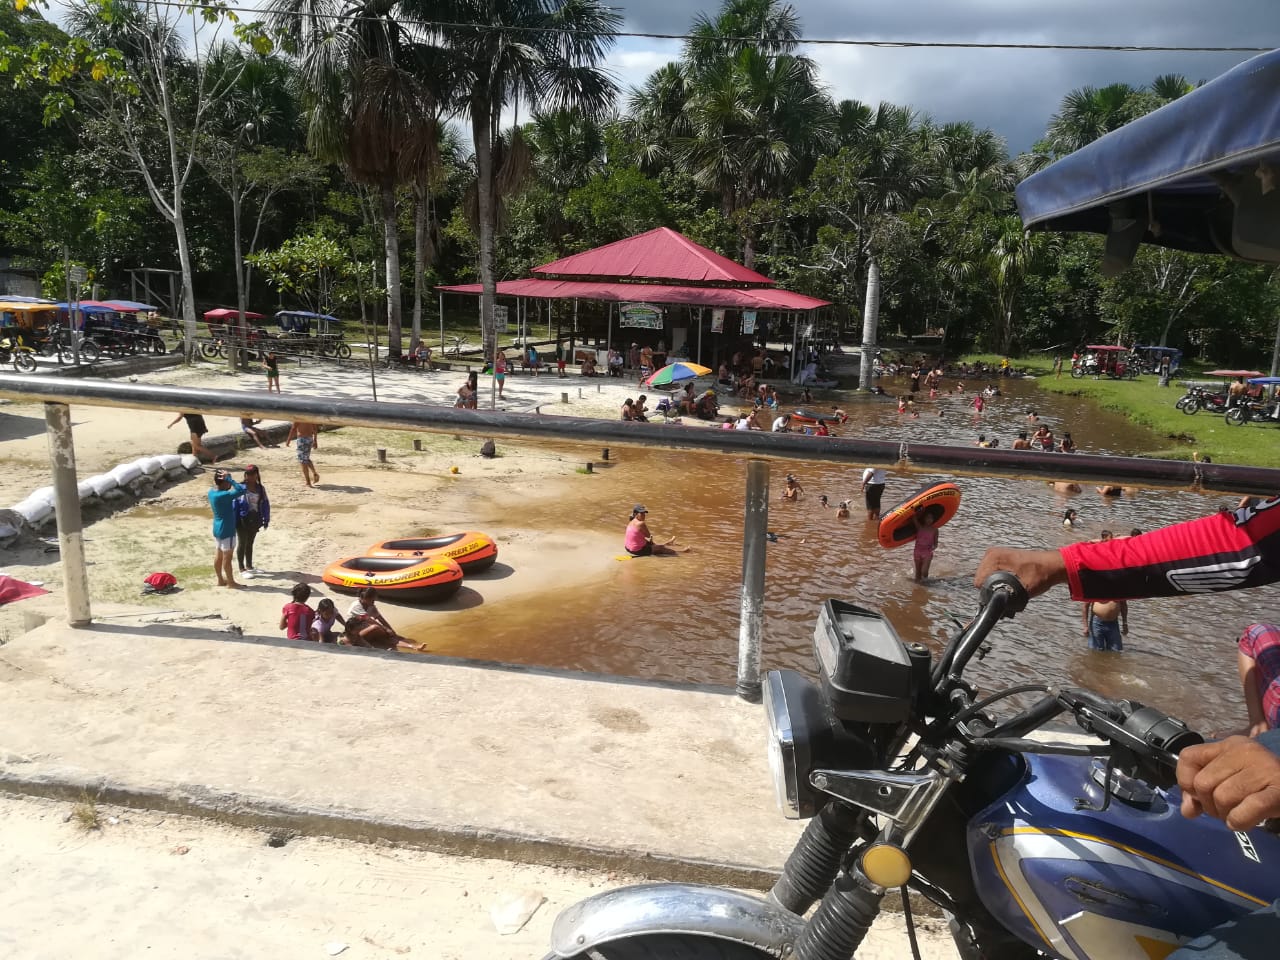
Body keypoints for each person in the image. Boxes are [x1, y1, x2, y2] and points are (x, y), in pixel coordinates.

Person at [344, 586, 428, 651]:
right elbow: (369, 620)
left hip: (366, 630)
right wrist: (386, 629)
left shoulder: (371, 606)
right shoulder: (356, 606)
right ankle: (407, 644)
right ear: (363, 598)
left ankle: (413, 646)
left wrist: (391, 630)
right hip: (354, 634)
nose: (373, 601)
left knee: (390, 636)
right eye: (371, 599)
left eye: (374, 599)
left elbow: (380, 618)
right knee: (377, 628)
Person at [207, 468, 245, 588]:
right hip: (227, 529)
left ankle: (220, 580)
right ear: (224, 481)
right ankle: (231, 582)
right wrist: (230, 479)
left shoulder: (211, 492)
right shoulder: (224, 495)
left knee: (218, 555)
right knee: (227, 558)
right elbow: (241, 490)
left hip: (217, 528)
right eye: (228, 480)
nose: (230, 483)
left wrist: (227, 479)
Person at [233, 464, 270, 577]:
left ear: (256, 474)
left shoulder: (260, 488)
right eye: (248, 474)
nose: (249, 476)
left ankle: (249, 566)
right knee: (242, 543)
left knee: (250, 543)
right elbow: (234, 504)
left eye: (252, 474)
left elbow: (265, 504)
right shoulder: (240, 487)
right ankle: (241, 568)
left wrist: (266, 519)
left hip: (255, 519)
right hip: (242, 520)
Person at [623, 504, 689, 556]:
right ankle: (681, 552)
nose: (643, 515)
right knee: (661, 549)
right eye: (641, 513)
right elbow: (648, 535)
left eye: (644, 513)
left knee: (651, 543)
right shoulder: (641, 523)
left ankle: (667, 543)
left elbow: (638, 536)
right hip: (637, 551)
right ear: (635, 514)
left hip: (628, 548)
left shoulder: (631, 521)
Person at [286, 421, 320, 487]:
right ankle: (314, 473)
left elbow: (293, 428)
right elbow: (315, 429)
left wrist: (288, 440)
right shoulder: (310, 417)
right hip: (310, 439)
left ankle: (308, 482)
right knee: (306, 458)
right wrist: (315, 440)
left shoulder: (299, 417)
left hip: (302, 439)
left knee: (302, 461)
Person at [913, 508, 938, 582]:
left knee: (924, 571)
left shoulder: (935, 530)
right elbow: (913, 518)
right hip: (917, 552)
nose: (929, 520)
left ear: (933, 519)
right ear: (924, 519)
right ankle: (920, 589)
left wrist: (934, 547)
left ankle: (926, 581)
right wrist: (918, 511)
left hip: (927, 552)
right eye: (927, 518)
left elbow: (936, 543)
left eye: (931, 518)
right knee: (918, 573)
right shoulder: (919, 527)